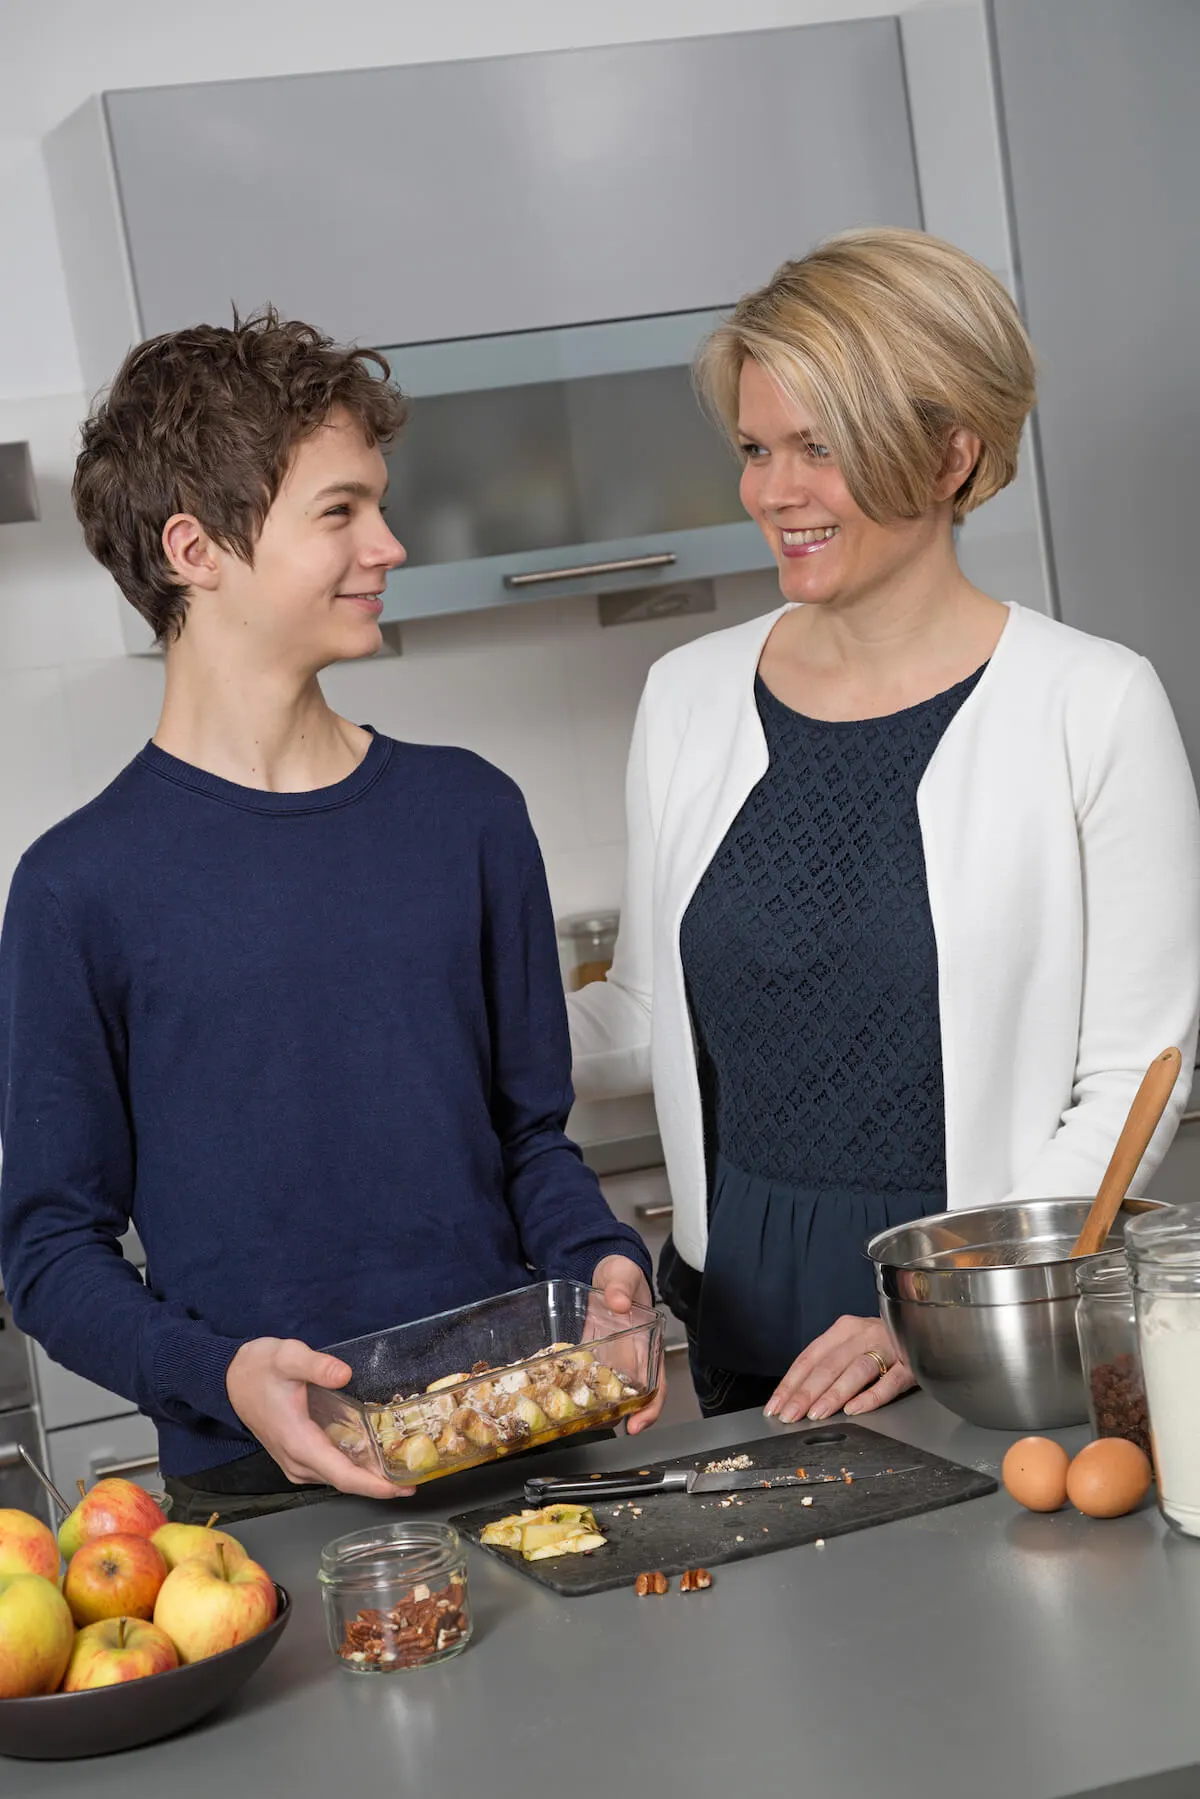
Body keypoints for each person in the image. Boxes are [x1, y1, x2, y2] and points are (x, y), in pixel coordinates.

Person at [0, 311, 660, 1525]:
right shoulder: (76, 885)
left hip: (518, 1444)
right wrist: (223, 1377)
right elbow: (49, 1251)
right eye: (341, 510)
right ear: (196, 549)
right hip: (259, 1498)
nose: (390, 544)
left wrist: (601, 1266)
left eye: (381, 504)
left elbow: (531, 1145)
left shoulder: (466, 814)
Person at [568, 227, 1200, 1428]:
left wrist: (946, 1304)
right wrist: (431, 1037)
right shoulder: (689, 694)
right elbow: (647, 1011)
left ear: (952, 451)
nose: (772, 490)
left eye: (821, 447)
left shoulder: (1093, 702)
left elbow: (1134, 1076)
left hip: (983, 1348)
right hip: (741, 1332)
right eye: (757, 448)